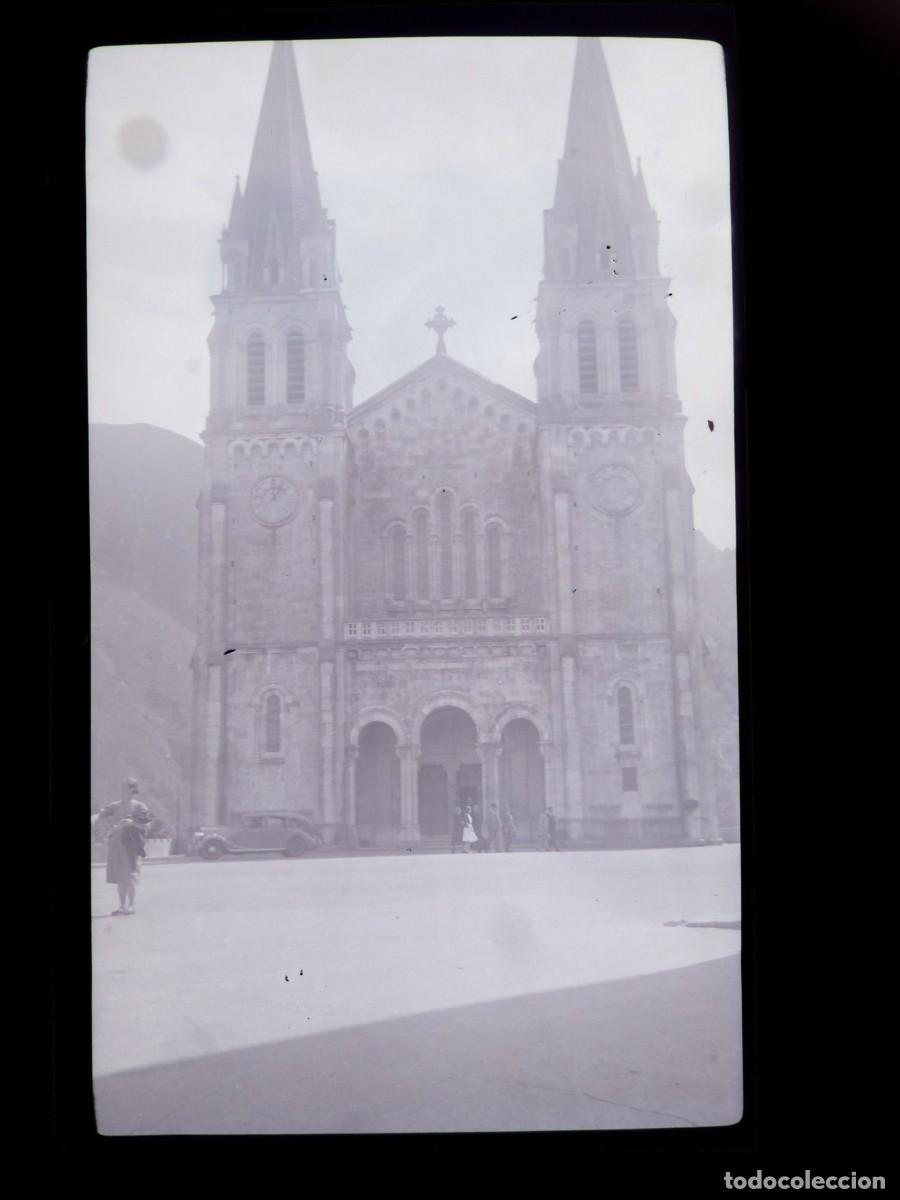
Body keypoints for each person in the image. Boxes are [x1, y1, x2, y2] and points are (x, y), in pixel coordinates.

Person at [99, 778, 152, 915]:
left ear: (133, 790)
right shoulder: (115, 806)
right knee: (120, 877)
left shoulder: (140, 807)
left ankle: (131, 906)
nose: (123, 790)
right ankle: (122, 906)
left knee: (130, 876)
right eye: (123, 787)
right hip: (117, 845)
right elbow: (101, 815)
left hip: (132, 846)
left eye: (127, 787)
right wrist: (109, 827)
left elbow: (146, 826)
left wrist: (131, 823)